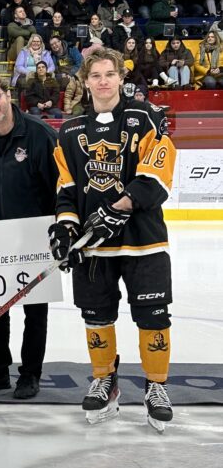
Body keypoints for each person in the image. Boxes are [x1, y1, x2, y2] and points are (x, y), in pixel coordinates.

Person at [48, 47, 176, 429]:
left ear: (121, 77)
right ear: (85, 83)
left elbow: (158, 172)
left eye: (109, 74)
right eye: (95, 75)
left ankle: (156, 386)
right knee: (96, 317)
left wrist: (118, 208)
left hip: (145, 241)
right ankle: (105, 380)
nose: (103, 81)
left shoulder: (147, 117)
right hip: (95, 247)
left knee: (153, 316)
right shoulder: (70, 131)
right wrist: (67, 226)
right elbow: (66, 187)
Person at [0, 75, 59, 400]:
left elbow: (62, 187)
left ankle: (30, 374)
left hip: (35, 239)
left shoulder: (40, 134)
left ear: (7, 95)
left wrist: (58, 226)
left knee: (35, 311)